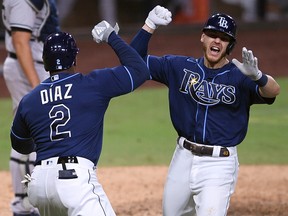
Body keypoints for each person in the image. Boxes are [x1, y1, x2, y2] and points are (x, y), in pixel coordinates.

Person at [130, 5, 280, 216]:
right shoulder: (179, 67)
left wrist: (258, 77)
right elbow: (133, 61)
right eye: (212, 34)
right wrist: (149, 24)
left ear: (230, 46)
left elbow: (273, 91)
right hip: (182, 158)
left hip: (218, 166)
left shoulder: (240, 76)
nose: (217, 40)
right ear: (203, 37)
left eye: (224, 38)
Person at [10, 20, 150, 215]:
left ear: (46, 61)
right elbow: (139, 70)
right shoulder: (94, 84)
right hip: (74, 182)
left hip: (39, 184)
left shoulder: (29, 100)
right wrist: (111, 36)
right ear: (74, 59)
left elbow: (20, 144)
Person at [1, 0, 60, 215]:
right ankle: (25, 204)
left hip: (29, 65)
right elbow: (20, 41)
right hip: (27, 67)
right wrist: (38, 88)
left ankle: (25, 202)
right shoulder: (22, 1)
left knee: (31, 134)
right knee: (32, 136)